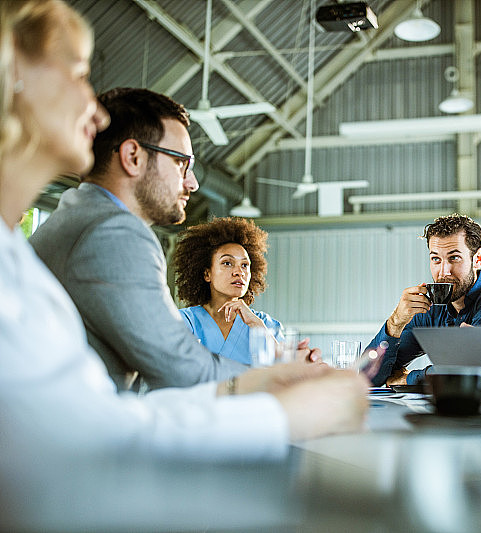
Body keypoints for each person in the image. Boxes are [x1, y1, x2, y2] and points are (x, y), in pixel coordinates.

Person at [0, 0, 368, 460]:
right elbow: (171, 376)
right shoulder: (111, 230)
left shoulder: (43, 235)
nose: (94, 115)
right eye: (77, 75)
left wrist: (274, 381)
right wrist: (282, 410)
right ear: (133, 157)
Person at [29, 86, 320, 391]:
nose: (192, 183)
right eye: (182, 163)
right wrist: (287, 376)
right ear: (133, 157)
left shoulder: (79, 215)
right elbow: (180, 366)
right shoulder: (114, 232)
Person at [368, 214, 481, 386]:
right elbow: (368, 377)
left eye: (454, 258)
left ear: (478, 259)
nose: (444, 271)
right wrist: (396, 322)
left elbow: (472, 374)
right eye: (436, 259)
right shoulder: (432, 307)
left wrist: (408, 379)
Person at [173, 216, 288, 365]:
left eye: (245, 265)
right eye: (227, 263)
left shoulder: (266, 325)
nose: (239, 272)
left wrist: (259, 328)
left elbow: (289, 372)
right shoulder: (185, 322)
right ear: (207, 274)